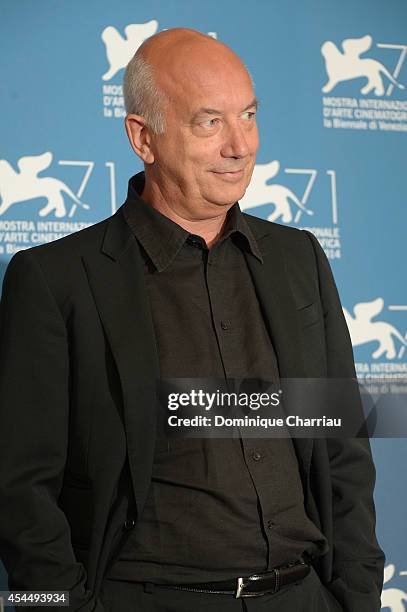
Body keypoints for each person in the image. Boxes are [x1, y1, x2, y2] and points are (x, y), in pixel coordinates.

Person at [0, 28, 384, 612]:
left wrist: (355, 596)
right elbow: (20, 491)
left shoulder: (299, 257)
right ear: (142, 138)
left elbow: (341, 449)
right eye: (209, 122)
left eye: (248, 115)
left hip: (305, 596)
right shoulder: (56, 280)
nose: (240, 145)